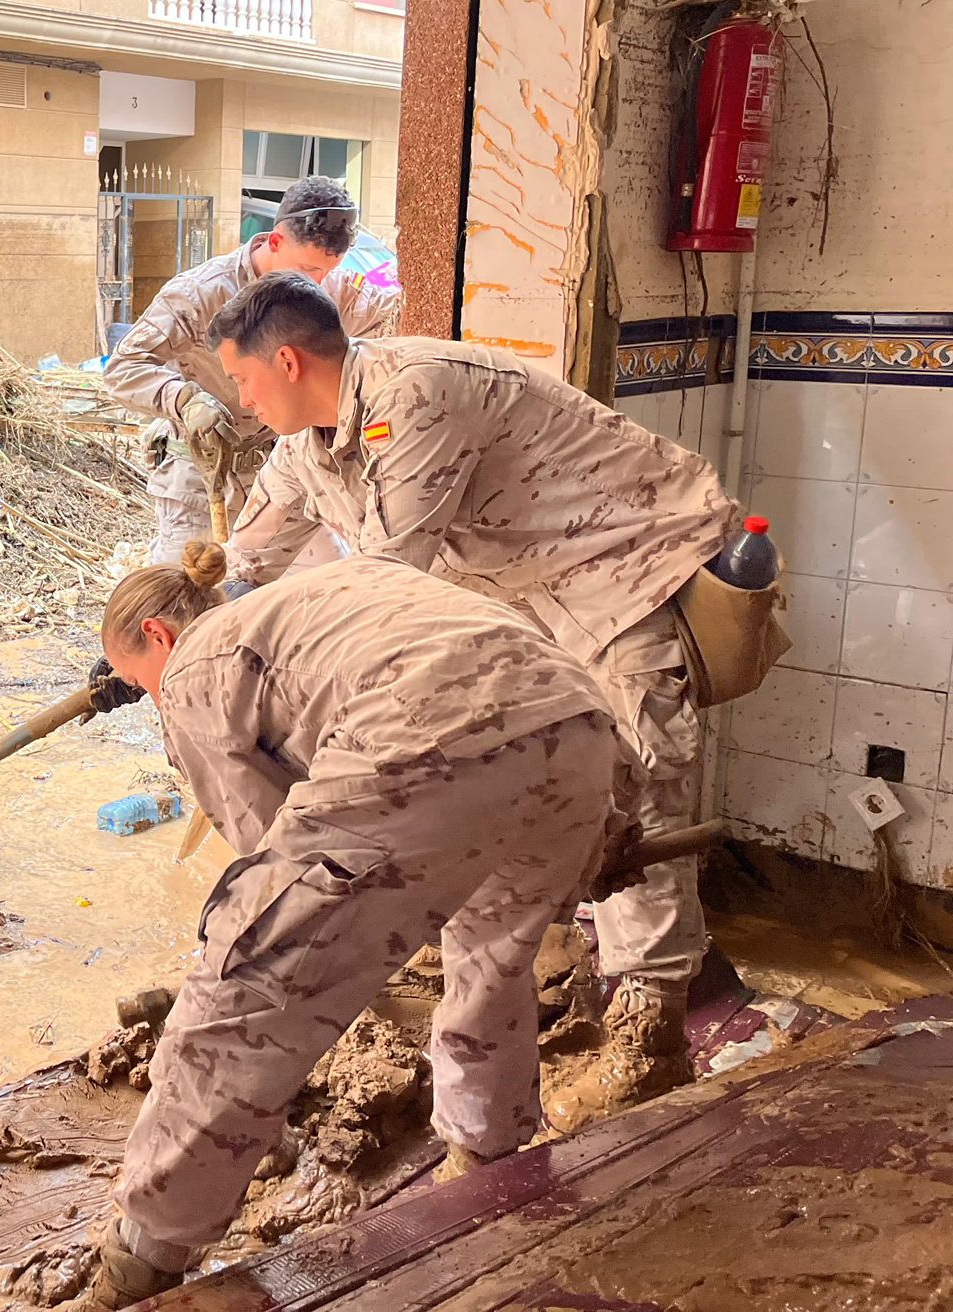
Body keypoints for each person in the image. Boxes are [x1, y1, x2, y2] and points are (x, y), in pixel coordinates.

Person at [214, 273, 740, 1111]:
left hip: (621, 574)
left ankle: (652, 1027)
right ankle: (588, 968)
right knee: (550, 783)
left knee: (642, 787)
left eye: (241, 380)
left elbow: (390, 579)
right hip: (529, 601)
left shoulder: (412, 397)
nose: (239, 402)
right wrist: (179, 638)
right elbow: (248, 563)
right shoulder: (305, 448)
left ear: (284, 361)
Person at [69, 542, 620, 1309]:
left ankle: (139, 1264)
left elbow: (265, 857)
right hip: (581, 726)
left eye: (138, 684)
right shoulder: (321, 593)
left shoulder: (194, 666)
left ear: (160, 637)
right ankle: (485, 1163)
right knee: (490, 957)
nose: (151, 698)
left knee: (244, 995)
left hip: (431, 728)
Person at [103, 176, 399, 563]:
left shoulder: (332, 289)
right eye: (308, 268)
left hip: (282, 471)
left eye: (328, 271)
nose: (317, 283)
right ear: (274, 242)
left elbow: (393, 318)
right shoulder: (202, 292)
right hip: (201, 473)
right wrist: (186, 400)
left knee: (324, 588)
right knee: (189, 600)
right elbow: (124, 367)